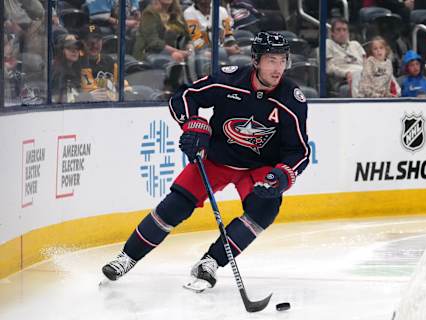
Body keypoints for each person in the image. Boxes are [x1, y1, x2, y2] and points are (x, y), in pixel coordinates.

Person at [101, 31, 310, 292]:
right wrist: (193, 125)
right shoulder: (230, 79)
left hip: (258, 167)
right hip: (217, 160)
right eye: (271, 60)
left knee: (265, 209)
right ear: (256, 61)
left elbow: (299, 151)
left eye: (282, 61)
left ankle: (210, 262)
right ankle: (127, 257)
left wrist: (281, 175)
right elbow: (185, 96)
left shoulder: (292, 99)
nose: (278, 68)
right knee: (176, 205)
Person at [325, 17, 366, 97]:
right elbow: (329, 68)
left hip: (364, 76)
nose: (342, 33)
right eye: (338, 30)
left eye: (344, 30)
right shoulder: (328, 44)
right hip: (344, 80)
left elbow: (366, 64)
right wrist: (346, 73)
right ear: (332, 33)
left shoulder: (356, 44)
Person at [79, 24, 120, 101]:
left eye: (97, 41)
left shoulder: (109, 60)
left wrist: (126, 91)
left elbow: (123, 84)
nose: (94, 45)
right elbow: (92, 92)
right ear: (82, 43)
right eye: (89, 42)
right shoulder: (77, 62)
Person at [52, 34, 83, 103]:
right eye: (69, 48)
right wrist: (89, 96)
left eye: (77, 48)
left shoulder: (76, 67)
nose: (75, 51)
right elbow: (59, 99)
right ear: (61, 50)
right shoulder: (57, 71)